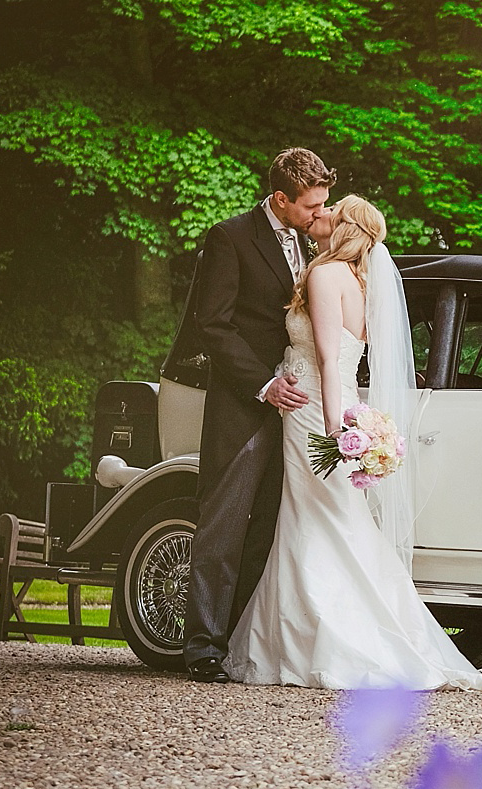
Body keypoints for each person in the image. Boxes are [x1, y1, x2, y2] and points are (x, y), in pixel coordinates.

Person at [221, 195, 482, 693]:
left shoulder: (324, 275)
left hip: (315, 410)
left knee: (316, 522)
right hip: (336, 403)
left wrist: (335, 432)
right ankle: (322, 634)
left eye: (332, 211)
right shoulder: (360, 281)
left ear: (345, 226)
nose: (323, 215)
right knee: (334, 521)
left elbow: (331, 361)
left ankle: (319, 641)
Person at [184, 148, 335, 683]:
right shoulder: (230, 238)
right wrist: (265, 384)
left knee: (268, 529)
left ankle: (237, 641)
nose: (321, 212)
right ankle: (201, 645)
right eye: (311, 205)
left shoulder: (310, 240)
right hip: (242, 404)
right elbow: (214, 324)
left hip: (296, 412)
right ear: (280, 199)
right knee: (223, 525)